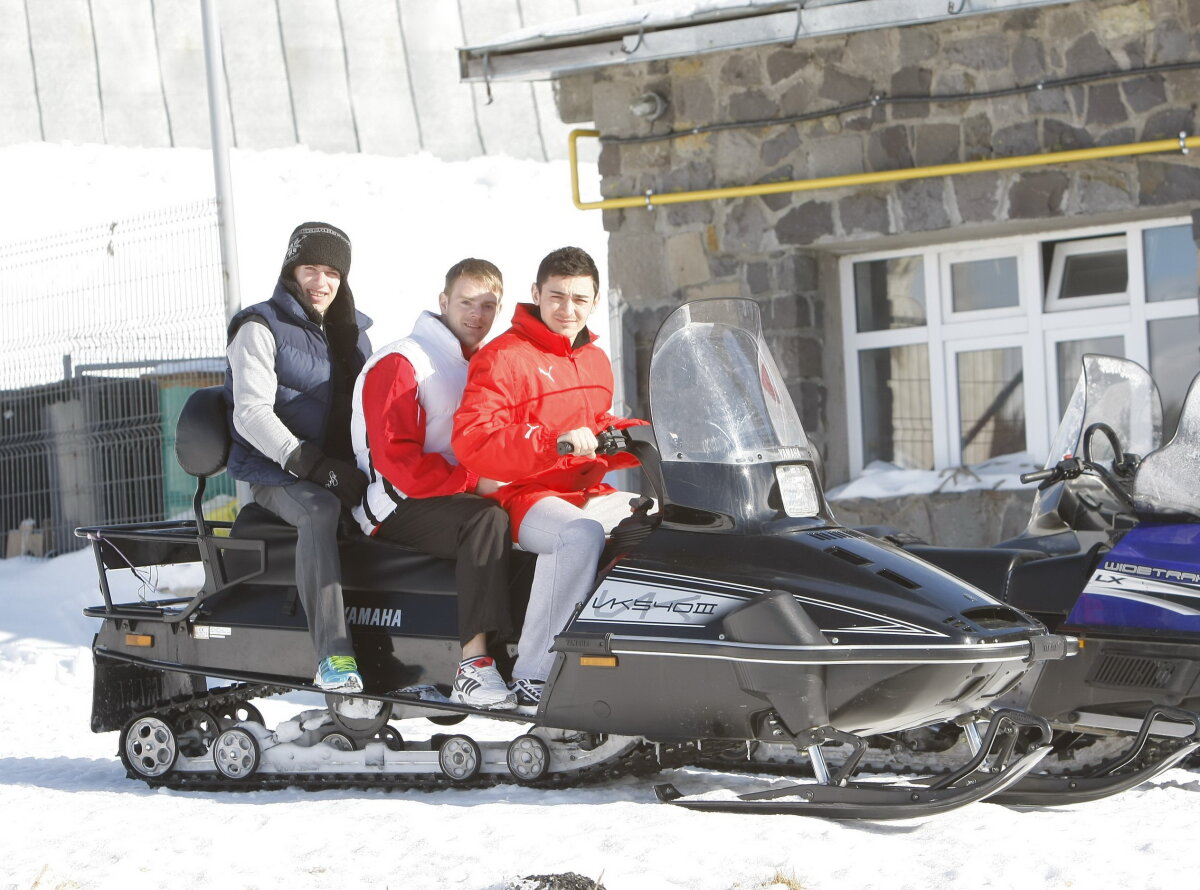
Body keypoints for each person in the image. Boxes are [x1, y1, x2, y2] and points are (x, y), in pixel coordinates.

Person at [452, 246, 645, 713]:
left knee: (665, 523)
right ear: (536, 293)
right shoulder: (504, 357)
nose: (567, 309)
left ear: (595, 301)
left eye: (580, 299)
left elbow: (596, 424)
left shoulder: (596, 360)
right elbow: (473, 439)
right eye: (556, 296)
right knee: (577, 537)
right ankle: (535, 673)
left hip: (585, 491)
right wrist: (550, 441)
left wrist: (640, 434)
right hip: (524, 495)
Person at [350, 259, 517, 710]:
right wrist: (472, 481)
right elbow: (396, 461)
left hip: (452, 495)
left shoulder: (482, 363)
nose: (477, 315)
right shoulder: (403, 360)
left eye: (488, 305)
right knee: (487, 520)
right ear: (443, 302)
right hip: (395, 501)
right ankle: (474, 666)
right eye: (466, 302)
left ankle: (532, 658)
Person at [224, 222, 371, 694]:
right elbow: (250, 415)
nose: (321, 283)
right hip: (274, 472)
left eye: (332, 273)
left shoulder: (355, 334)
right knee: (321, 510)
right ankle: (333, 656)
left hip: (334, 467)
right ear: (292, 270)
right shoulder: (259, 327)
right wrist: (310, 465)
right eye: (311, 269)